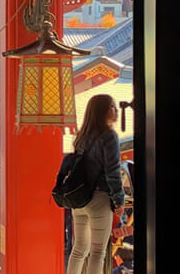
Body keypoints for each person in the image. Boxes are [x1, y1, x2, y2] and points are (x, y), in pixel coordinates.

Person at [66, 94, 126, 274]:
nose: (115, 110)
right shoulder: (109, 136)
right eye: (113, 106)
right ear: (104, 111)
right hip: (99, 198)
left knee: (78, 250)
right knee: (98, 252)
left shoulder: (82, 137)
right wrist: (119, 200)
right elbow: (113, 171)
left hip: (79, 199)